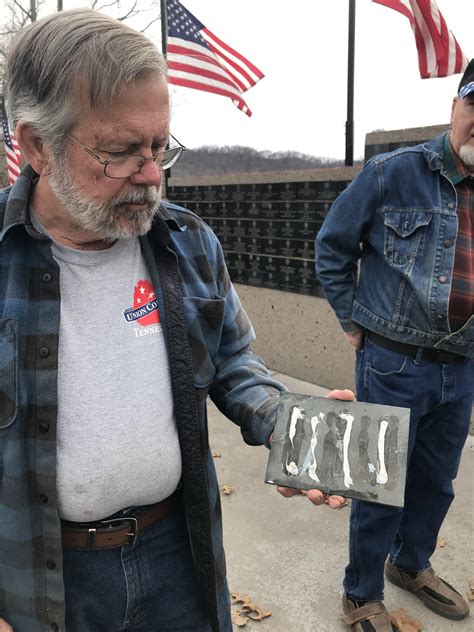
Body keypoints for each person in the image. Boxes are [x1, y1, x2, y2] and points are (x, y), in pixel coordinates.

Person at [0, 9, 355, 632]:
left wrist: (281, 422)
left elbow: (237, 362)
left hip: (176, 554)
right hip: (41, 575)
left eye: (160, 147)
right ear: (35, 147)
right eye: (119, 151)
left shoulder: (188, 242)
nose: (150, 174)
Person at [315, 60, 474, 632]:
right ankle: (360, 592)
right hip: (393, 361)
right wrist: (351, 321)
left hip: (463, 365)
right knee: (377, 480)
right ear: (456, 107)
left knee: (436, 480)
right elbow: (333, 247)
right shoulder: (393, 174)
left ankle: (410, 564)